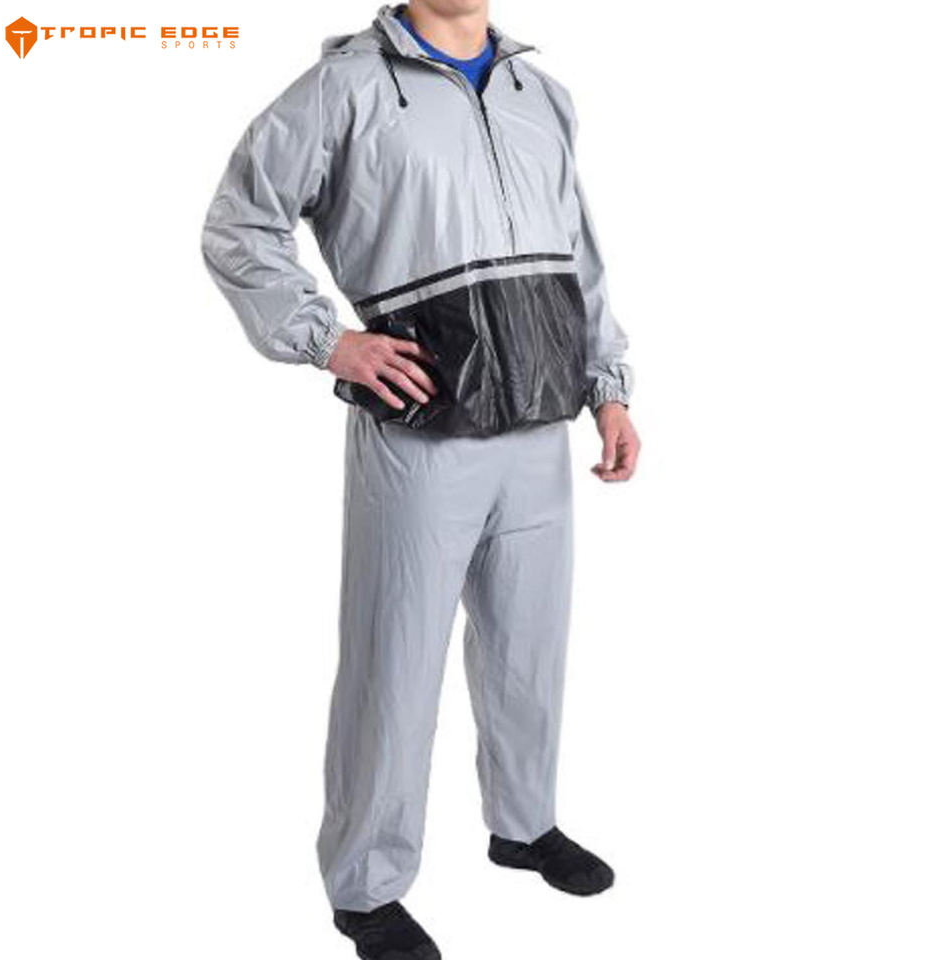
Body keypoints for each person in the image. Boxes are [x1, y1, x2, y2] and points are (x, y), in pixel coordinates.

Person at [202, 2, 640, 957]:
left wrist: (607, 388)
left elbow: (580, 254)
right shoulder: (346, 88)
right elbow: (239, 221)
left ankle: (523, 826)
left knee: (530, 647)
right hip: (422, 426)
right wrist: (327, 341)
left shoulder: (540, 93)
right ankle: (365, 886)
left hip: (540, 424)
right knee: (394, 660)